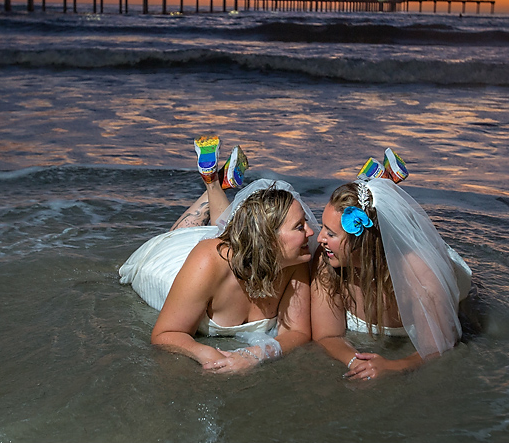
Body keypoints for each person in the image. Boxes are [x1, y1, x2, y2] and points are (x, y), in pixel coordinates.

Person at [119, 135, 321, 373]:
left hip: (236, 249)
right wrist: (205, 353)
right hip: (175, 270)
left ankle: (213, 182)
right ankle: (212, 183)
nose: (311, 233)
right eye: (299, 226)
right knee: (174, 237)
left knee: (220, 229)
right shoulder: (207, 261)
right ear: (268, 238)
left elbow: (297, 332)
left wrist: (255, 355)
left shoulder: (295, 258)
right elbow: (166, 333)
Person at [311, 149, 472, 381]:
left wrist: (394, 367)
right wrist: (355, 361)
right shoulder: (326, 259)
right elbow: (327, 335)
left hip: (443, 288)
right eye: (323, 227)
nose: (319, 238)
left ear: (362, 241)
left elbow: (441, 347)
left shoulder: (418, 274)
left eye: (331, 233)